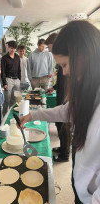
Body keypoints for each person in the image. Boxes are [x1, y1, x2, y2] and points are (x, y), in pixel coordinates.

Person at [19, 20, 100, 204]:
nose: (63, 73)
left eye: (64, 65)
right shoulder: (88, 89)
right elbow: (68, 111)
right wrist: (34, 114)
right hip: (83, 187)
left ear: (83, 56)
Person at [46, 33, 70, 162]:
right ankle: (62, 148)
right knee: (58, 125)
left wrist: (61, 103)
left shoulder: (66, 60)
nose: (49, 51)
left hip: (64, 100)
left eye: (50, 48)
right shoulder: (60, 62)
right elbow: (61, 81)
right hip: (60, 96)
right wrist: (53, 88)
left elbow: (67, 83)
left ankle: (65, 155)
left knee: (64, 129)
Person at [1, 40, 21, 116]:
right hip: (8, 79)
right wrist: (4, 83)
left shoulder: (17, 57)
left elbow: (19, 69)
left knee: (15, 99)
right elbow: (2, 72)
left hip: (16, 80)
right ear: (8, 47)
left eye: (14, 48)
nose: (13, 50)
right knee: (7, 100)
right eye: (11, 48)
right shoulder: (4, 58)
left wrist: (19, 79)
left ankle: (12, 116)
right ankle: (4, 116)